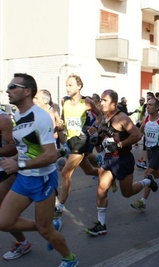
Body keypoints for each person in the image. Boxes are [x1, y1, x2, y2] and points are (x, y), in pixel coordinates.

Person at [0, 73, 78, 266]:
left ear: (27, 92)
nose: (8, 90)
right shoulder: (18, 115)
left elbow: (51, 155)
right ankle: (49, 226)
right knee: (3, 221)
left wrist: (19, 164)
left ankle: (70, 259)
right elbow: (25, 147)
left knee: (45, 231)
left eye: (12, 86)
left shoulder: (40, 117)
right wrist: (16, 159)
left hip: (42, 179)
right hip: (24, 179)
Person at [85, 90, 159, 236]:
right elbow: (102, 136)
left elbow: (137, 135)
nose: (102, 103)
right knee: (101, 189)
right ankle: (101, 224)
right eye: (101, 100)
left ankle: (147, 181)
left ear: (113, 102)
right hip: (109, 160)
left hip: (123, 159)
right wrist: (96, 137)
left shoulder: (122, 118)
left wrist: (119, 145)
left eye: (105, 100)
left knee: (127, 193)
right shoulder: (105, 117)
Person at [55, 74, 103, 219]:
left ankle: (60, 206)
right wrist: (60, 125)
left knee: (65, 173)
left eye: (70, 85)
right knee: (88, 171)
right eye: (66, 85)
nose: (67, 88)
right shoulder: (64, 101)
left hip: (82, 141)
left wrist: (94, 126)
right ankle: (109, 175)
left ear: (79, 86)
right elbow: (64, 120)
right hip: (70, 141)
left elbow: (100, 115)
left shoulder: (87, 102)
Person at [0, 108, 30, 261]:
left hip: (3, 171)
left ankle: (26, 241)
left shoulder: (3, 119)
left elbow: (13, 147)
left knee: (4, 217)